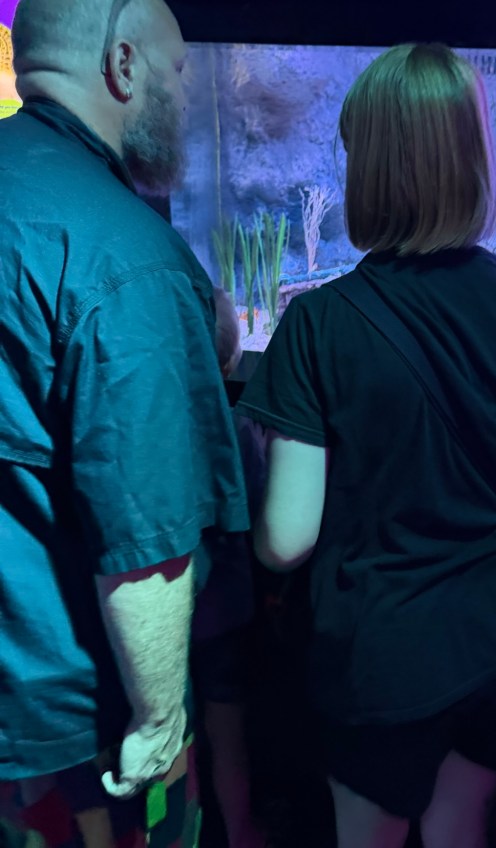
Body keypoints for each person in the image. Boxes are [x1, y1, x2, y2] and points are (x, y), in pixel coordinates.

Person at [237, 43, 496, 848]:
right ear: (475, 158)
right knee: (462, 826)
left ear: (371, 169)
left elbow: (287, 540)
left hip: (379, 657)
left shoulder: (321, 324)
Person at [0, 0, 249, 846]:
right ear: (122, 65)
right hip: (70, 732)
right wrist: (157, 725)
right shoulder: (119, 254)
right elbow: (144, 536)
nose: (186, 92)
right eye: (180, 70)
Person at [191, 287, 266, 848]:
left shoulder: (155, 429)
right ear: (232, 359)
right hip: (226, 613)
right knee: (231, 736)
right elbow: (261, 513)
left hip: (169, 621)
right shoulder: (239, 430)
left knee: (181, 739)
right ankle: (241, 834)